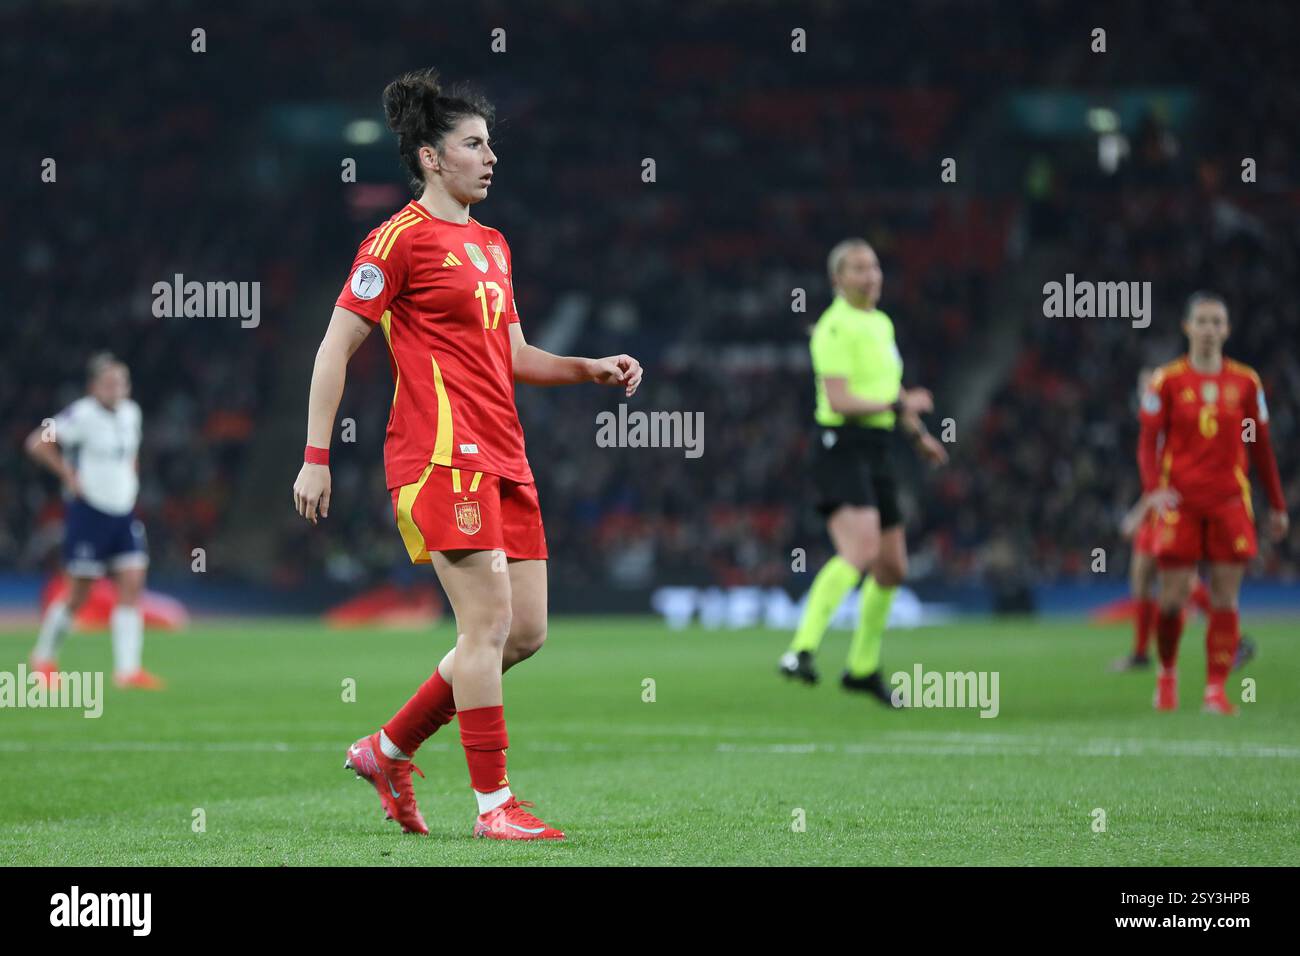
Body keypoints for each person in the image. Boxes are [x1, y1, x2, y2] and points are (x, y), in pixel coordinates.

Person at [293, 68, 642, 840]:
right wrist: (316, 455)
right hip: (439, 455)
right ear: (429, 157)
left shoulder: (492, 244)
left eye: (490, 145)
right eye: (473, 145)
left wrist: (589, 368)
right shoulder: (396, 240)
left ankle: (386, 751)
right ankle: (495, 807)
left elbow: (511, 352)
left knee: (524, 634)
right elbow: (334, 346)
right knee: (483, 628)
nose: (490, 158)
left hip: (506, 455)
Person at [779, 239, 947, 704]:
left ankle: (862, 668)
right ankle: (801, 649)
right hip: (840, 446)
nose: (871, 275)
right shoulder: (834, 328)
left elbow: (889, 392)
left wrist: (919, 437)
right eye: (858, 269)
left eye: (874, 266)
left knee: (892, 567)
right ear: (838, 280)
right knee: (860, 550)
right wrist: (899, 405)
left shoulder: (881, 324)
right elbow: (840, 401)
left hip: (878, 447)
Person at [1138, 293, 1287, 714]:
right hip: (1180, 502)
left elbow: (1259, 446)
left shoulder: (1245, 383)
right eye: (1201, 321)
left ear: (1226, 330)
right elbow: (1148, 442)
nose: (1208, 329)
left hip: (1228, 502)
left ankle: (1214, 690)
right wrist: (1153, 489)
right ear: (1187, 328)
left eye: (1216, 322)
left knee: (1224, 597)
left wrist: (1277, 504)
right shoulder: (1166, 381)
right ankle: (1167, 674)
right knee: (1173, 597)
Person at [26, 353, 161, 689]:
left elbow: (130, 457)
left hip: (123, 512)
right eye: (110, 382)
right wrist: (67, 474)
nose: (117, 388)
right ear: (94, 387)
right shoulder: (81, 415)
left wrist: (128, 484)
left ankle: (127, 671)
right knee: (78, 593)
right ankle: (43, 658)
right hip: (89, 513)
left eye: (122, 382)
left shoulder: (132, 413)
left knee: (132, 584)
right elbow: (36, 443)